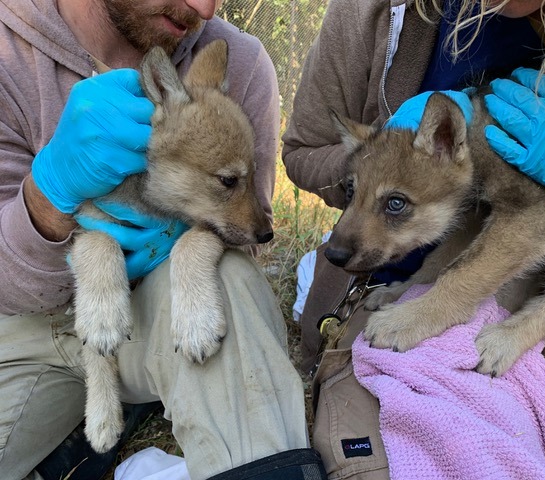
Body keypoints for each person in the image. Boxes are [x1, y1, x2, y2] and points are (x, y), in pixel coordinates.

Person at [282, 0, 545, 477]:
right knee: (393, 451)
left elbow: (534, 223)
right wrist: (378, 156)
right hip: (419, 283)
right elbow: (303, 150)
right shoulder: (369, 12)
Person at [0, 1, 326, 479]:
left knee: (225, 276)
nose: (206, 6)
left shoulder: (239, 59)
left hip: (163, 319)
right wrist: (47, 197)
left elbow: (250, 232)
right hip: (24, 328)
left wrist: (193, 243)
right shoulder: (8, 54)